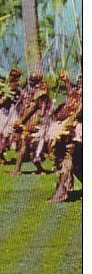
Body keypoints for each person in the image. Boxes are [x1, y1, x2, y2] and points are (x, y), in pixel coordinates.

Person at [47, 73, 82, 203]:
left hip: (76, 127)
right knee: (76, 161)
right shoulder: (77, 90)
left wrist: (69, 121)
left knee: (68, 156)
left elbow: (80, 108)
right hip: (68, 125)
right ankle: (64, 186)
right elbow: (72, 94)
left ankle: (61, 191)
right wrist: (66, 80)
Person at [11, 72, 52, 175]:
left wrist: (21, 121)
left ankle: (17, 169)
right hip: (32, 120)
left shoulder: (41, 91)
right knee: (28, 146)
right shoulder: (33, 91)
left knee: (27, 144)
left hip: (37, 121)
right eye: (30, 80)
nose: (31, 82)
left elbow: (33, 108)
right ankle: (38, 169)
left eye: (32, 81)